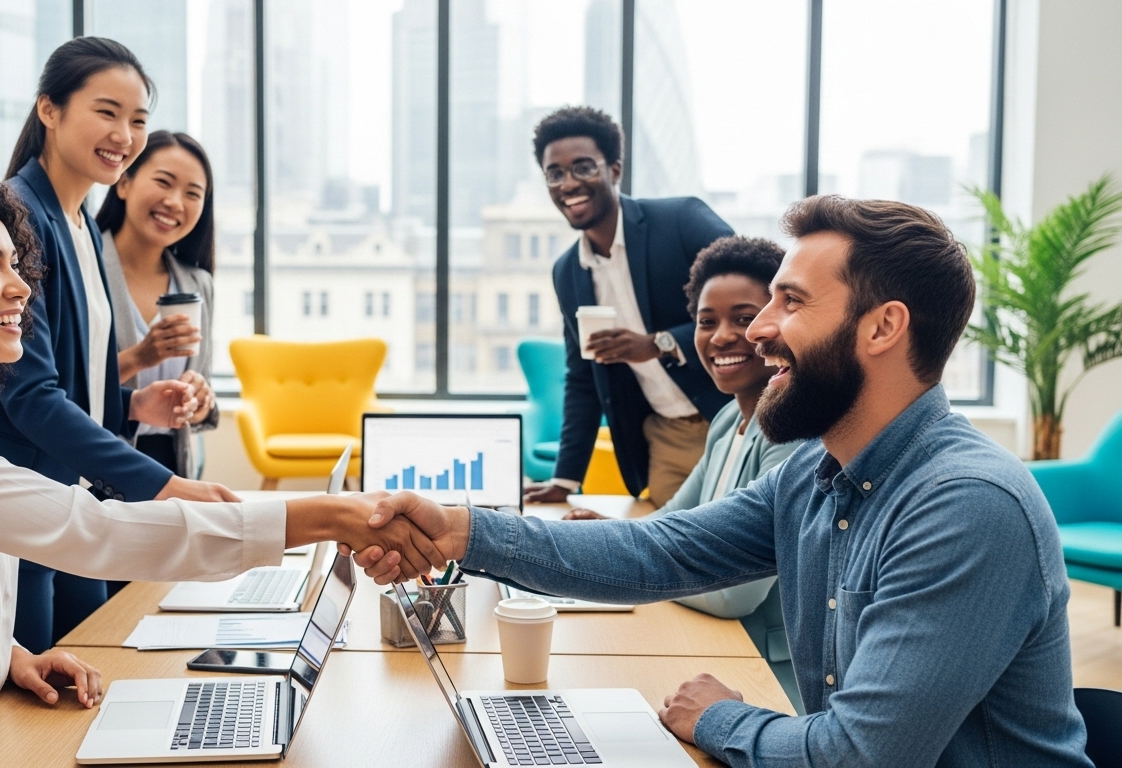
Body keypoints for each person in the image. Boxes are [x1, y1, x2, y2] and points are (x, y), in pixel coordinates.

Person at [357, 196, 1091, 766]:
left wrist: (720, 717)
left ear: (881, 328)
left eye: (790, 302)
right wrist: (463, 530)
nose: (757, 330)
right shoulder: (814, 469)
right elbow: (657, 554)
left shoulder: (965, 507)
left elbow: (859, 756)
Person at [0, 171, 440, 767]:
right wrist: (331, 516)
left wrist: (7, 659)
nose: (19, 286)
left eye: (16, 264)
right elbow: (96, 531)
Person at [0, 38, 225, 653]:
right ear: (49, 110)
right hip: (24, 499)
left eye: (138, 119)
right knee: (26, 712)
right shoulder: (18, 219)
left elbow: (69, 377)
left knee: (97, 659)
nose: (125, 133)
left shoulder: (79, 222)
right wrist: (165, 486)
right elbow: (29, 397)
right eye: (107, 112)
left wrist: (135, 408)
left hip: (70, 500)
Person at [564, 235, 804, 710]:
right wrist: (616, 536)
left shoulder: (791, 438)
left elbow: (734, 594)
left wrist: (640, 564)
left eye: (744, 318)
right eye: (706, 321)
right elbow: (675, 519)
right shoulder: (724, 422)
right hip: (710, 652)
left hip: (765, 680)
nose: (720, 337)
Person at [520, 107, 734, 508]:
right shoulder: (568, 272)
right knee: (674, 556)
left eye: (583, 168)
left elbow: (759, 295)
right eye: (555, 173)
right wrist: (564, 480)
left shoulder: (681, 220)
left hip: (733, 417)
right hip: (665, 438)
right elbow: (583, 377)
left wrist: (659, 343)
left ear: (614, 170)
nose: (568, 183)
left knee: (747, 550)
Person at [96, 130, 216, 480]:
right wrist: (140, 356)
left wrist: (199, 402)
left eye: (193, 193)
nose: (176, 202)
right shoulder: (86, 267)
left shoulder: (198, 284)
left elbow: (204, 405)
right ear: (123, 183)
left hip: (176, 467)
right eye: (164, 182)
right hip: (101, 463)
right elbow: (64, 386)